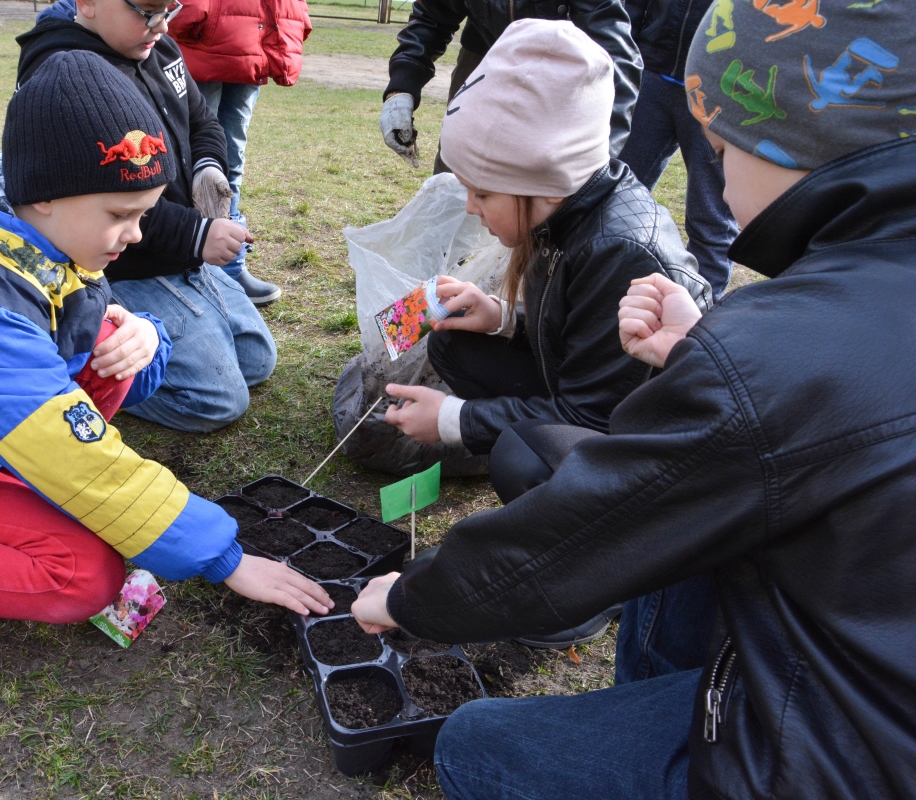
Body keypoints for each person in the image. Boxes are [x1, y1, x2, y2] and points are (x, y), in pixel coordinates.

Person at [353, 4, 916, 798]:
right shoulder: (842, 315)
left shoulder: (731, 320)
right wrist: (526, 323)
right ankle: (660, 689)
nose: (714, 177)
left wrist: (412, 597)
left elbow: (586, 523)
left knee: (473, 745)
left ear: (792, 143)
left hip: (842, 754)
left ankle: (659, 701)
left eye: (719, 150)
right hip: (853, 664)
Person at [0, 52, 331, 706]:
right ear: (44, 194)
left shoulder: (32, 232)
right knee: (85, 576)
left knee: (111, 339)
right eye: (120, 214)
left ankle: (21, 493)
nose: (135, 235)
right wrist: (226, 558)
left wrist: (146, 336)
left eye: (143, 214)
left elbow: (91, 340)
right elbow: (81, 461)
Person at [382, 22, 710, 647]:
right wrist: (503, 316)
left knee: (522, 453)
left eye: (482, 192)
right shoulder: (568, 212)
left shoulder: (620, 250)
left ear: (540, 181)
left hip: (644, 447)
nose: (471, 207)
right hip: (593, 397)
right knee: (453, 342)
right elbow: (580, 334)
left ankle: (588, 585)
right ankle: (546, 498)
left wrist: (452, 420)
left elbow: (594, 414)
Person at [16, 0, 278, 433]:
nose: (161, 25)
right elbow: (108, 203)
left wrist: (207, 167)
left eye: (169, 10)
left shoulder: (159, 48)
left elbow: (202, 121)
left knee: (256, 361)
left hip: (178, 255)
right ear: (89, 3)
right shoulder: (66, 79)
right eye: (147, 10)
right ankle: (89, 382)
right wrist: (197, 233)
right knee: (216, 401)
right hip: (128, 267)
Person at [378, 0, 641, 172]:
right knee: (455, 171)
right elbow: (433, 16)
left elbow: (614, 59)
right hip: (482, 54)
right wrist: (402, 87)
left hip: (559, 72)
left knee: (536, 183)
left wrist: (599, 155)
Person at [170, 0, 313, 306]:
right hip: (205, 36)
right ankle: (190, 261)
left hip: (252, 38)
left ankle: (229, 268)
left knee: (231, 160)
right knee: (194, 157)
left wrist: (293, 18)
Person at [619, 0, 739, 299]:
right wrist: (631, 50)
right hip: (652, 75)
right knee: (615, 196)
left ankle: (700, 312)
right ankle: (607, 288)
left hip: (721, 88)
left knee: (711, 217)